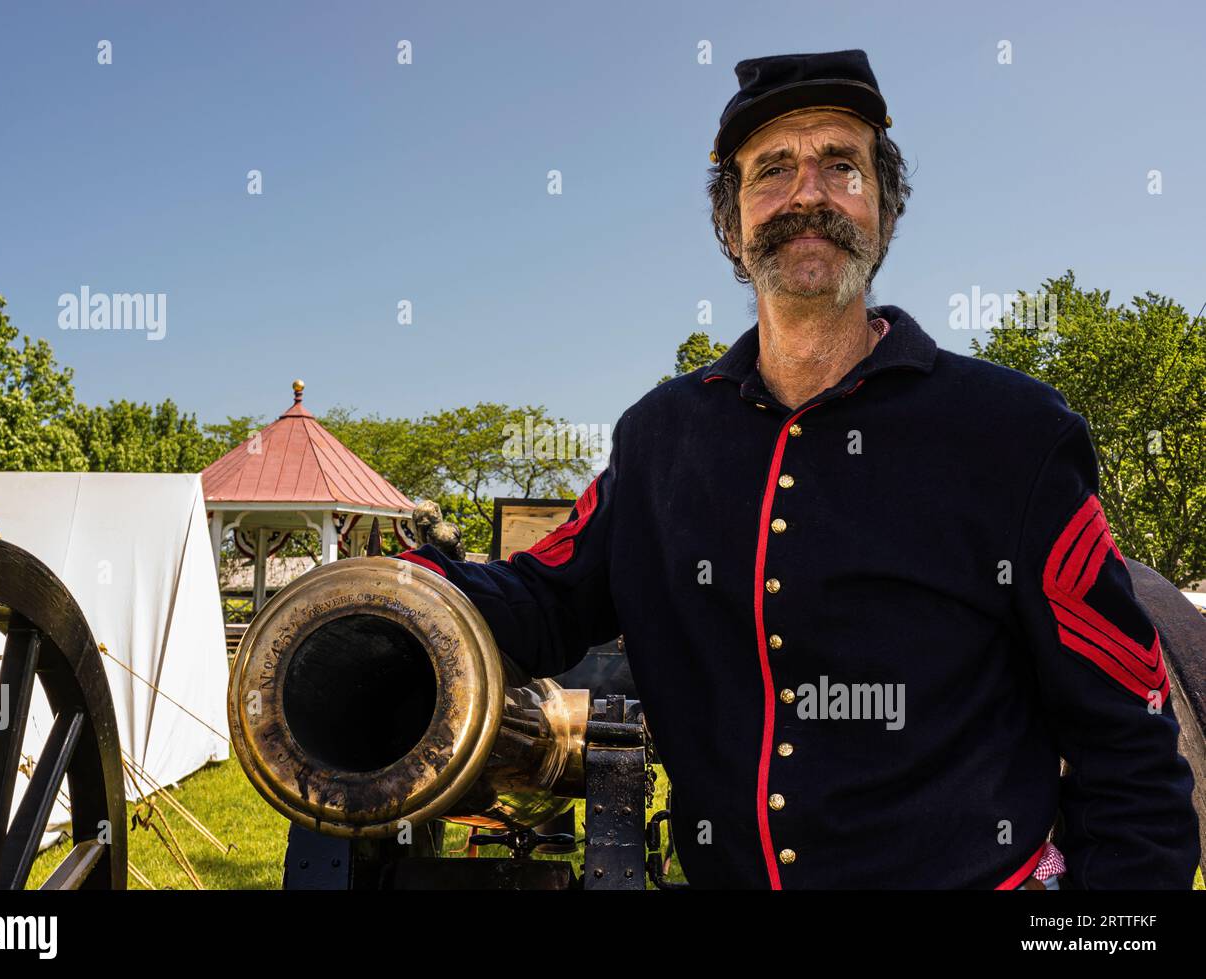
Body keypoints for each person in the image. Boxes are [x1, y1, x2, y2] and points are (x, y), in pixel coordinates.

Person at [396, 49, 1200, 889]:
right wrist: (392, 584)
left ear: (883, 210)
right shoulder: (658, 439)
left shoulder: (1017, 434)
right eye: (772, 169)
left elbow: (1129, 747)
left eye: (840, 166)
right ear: (731, 223)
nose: (807, 193)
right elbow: (543, 598)